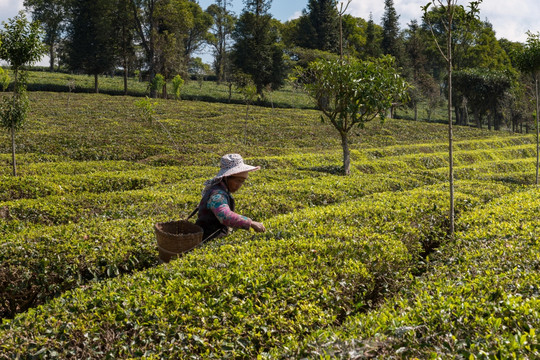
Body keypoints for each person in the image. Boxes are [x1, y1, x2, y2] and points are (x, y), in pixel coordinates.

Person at [195, 153, 266, 241]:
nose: (239, 185)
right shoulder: (217, 195)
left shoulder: (220, 189)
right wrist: (250, 223)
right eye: (238, 180)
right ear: (227, 177)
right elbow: (225, 216)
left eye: (242, 181)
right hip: (207, 238)